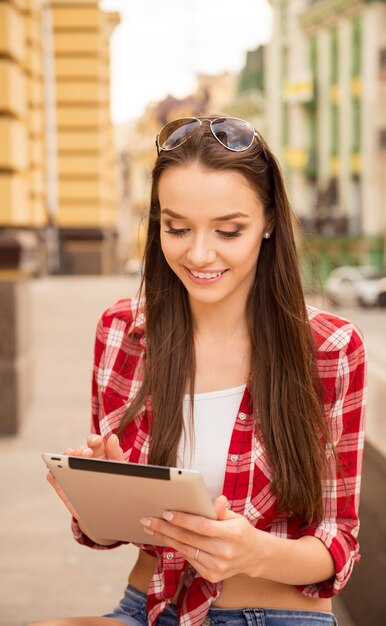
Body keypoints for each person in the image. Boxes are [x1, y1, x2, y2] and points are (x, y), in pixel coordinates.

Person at [33, 116, 367, 626]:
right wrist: (95, 499)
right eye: (177, 227)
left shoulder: (330, 348)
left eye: (229, 230)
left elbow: (337, 542)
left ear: (270, 221)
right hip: (147, 609)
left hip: (275, 617)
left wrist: (255, 553)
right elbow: (109, 536)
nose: (199, 253)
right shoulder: (122, 331)